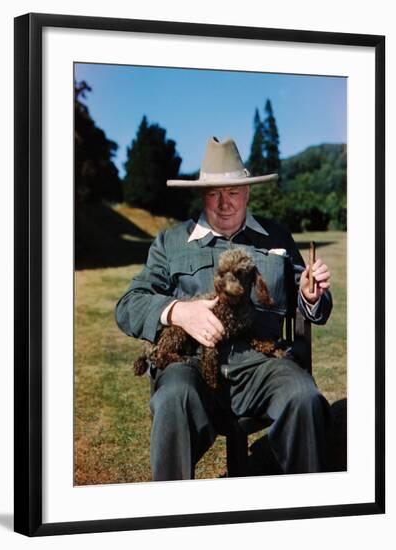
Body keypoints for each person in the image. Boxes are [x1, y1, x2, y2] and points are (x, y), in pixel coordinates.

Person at [115, 136, 332, 481]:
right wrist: (179, 312)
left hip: (263, 364)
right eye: (214, 193)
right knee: (173, 398)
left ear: (247, 192)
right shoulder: (170, 243)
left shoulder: (276, 237)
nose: (224, 204)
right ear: (202, 194)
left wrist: (310, 294)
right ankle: (169, 517)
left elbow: (313, 301)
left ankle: (313, 510)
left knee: (304, 397)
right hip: (191, 366)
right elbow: (128, 305)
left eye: (232, 193)